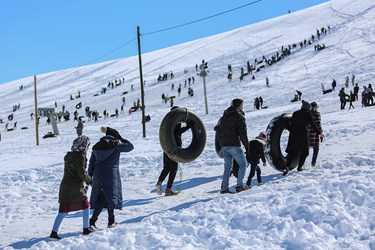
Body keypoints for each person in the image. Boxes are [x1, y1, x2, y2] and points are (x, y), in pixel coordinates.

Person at [88, 127, 134, 229]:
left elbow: (92, 163)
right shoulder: (116, 145)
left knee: (105, 197)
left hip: (97, 174)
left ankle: (108, 220)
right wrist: (121, 138)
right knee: (107, 197)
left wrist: (89, 176)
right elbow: (130, 146)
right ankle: (95, 221)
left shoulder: (97, 146)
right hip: (110, 174)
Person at [49, 136, 93, 240]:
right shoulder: (80, 157)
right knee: (86, 205)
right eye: (87, 145)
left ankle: (53, 233)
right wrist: (90, 180)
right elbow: (81, 173)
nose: (88, 147)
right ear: (83, 146)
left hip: (65, 185)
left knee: (64, 210)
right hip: (75, 186)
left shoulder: (69, 156)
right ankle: (86, 229)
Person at [156, 106, 194, 196]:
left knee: (166, 168)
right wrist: (188, 127)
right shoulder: (175, 122)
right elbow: (177, 132)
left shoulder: (168, 122)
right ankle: (168, 189)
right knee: (173, 169)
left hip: (166, 148)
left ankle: (159, 182)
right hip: (174, 149)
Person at [216, 98, 249, 193]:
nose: (243, 107)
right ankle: (239, 185)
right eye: (242, 105)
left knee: (227, 168)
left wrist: (222, 144)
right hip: (234, 145)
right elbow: (243, 133)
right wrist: (247, 146)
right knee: (243, 164)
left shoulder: (223, 117)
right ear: (239, 105)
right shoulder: (239, 116)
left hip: (224, 146)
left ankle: (224, 188)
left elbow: (218, 131)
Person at [283, 100, 322, 175]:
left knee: (292, 152)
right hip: (303, 136)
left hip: (293, 135)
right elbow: (313, 124)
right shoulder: (308, 114)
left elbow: (291, 124)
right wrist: (319, 133)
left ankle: (286, 167)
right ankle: (300, 167)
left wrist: (287, 127)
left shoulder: (295, 113)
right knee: (305, 152)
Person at [308, 102, 324, 167]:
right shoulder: (317, 114)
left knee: (305, 150)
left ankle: (302, 163)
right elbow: (318, 125)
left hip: (308, 133)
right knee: (316, 149)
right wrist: (321, 133)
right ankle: (313, 163)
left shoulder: (307, 114)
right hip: (315, 134)